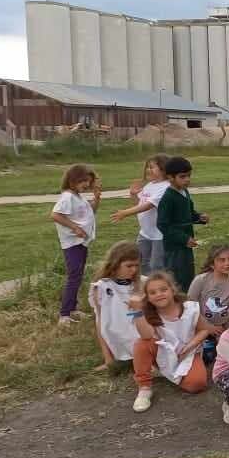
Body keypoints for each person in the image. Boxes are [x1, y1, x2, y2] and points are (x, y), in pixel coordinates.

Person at [130, 272, 215, 412]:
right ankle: (144, 387)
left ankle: (169, 373)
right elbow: (146, 336)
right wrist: (138, 310)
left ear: (172, 290)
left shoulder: (189, 308)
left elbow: (204, 330)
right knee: (141, 344)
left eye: (163, 289)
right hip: (162, 353)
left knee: (197, 384)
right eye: (152, 292)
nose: (159, 294)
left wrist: (190, 346)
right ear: (148, 298)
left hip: (187, 353)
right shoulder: (148, 314)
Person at [51, 163, 101, 325]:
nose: (86, 184)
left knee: (77, 276)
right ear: (72, 181)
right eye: (83, 181)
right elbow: (56, 215)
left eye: (88, 181)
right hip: (72, 243)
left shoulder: (78, 197)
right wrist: (75, 228)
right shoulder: (67, 197)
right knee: (74, 277)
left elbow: (90, 213)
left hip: (81, 243)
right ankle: (64, 314)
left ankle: (73, 309)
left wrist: (97, 199)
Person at [188, 244, 229, 364]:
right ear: (212, 264)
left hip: (225, 325)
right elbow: (190, 307)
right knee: (206, 357)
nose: (227, 263)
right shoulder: (201, 280)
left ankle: (220, 347)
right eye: (222, 260)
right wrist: (207, 326)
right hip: (201, 326)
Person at [109, 153, 169, 274]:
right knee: (140, 262)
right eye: (147, 166)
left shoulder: (166, 187)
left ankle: (159, 287)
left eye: (152, 167)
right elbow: (139, 204)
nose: (148, 169)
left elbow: (148, 205)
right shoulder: (149, 185)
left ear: (163, 169)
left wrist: (125, 213)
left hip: (160, 235)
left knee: (157, 265)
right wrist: (133, 194)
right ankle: (145, 286)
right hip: (145, 232)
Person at [157, 156, 208, 294]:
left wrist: (199, 217)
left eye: (189, 176)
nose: (187, 180)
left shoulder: (185, 192)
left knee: (187, 275)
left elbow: (188, 214)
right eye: (182, 176)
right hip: (174, 247)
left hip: (186, 245)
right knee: (176, 278)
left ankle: (185, 302)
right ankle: (175, 303)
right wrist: (183, 238)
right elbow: (162, 225)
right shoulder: (168, 198)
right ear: (170, 177)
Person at [89, 241, 143, 370]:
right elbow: (100, 322)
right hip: (116, 332)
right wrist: (108, 358)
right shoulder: (101, 287)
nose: (134, 270)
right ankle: (114, 357)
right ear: (115, 263)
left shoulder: (142, 284)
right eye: (129, 266)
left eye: (136, 265)